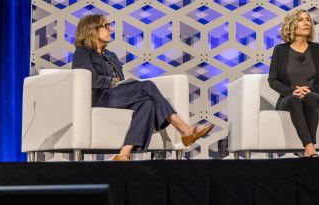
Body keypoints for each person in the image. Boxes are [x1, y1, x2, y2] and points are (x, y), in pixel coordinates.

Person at [71, 13, 213, 160]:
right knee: (148, 86)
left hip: (115, 96)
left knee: (148, 103)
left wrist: (120, 84)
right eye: (106, 26)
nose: (110, 29)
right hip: (98, 98)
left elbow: (120, 79)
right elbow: (90, 79)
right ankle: (184, 130)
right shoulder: (82, 52)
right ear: (92, 29)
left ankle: (124, 154)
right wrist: (114, 82)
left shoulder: (110, 55)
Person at [268, 9, 319, 157]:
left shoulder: (318, 49)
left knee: (309, 98)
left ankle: (308, 149)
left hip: (315, 96)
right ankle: (310, 148)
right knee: (294, 100)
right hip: (288, 98)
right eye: (301, 20)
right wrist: (291, 92)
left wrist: (311, 90)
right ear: (291, 25)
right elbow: (272, 80)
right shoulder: (280, 50)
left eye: (308, 20)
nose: (306, 23)